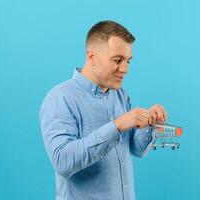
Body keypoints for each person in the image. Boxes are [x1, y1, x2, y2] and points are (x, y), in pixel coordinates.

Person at [39, 20, 168, 200]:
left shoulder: (120, 95)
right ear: (91, 57)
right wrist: (117, 126)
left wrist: (149, 125)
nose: (125, 69)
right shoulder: (60, 98)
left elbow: (136, 149)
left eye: (128, 61)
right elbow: (63, 161)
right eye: (117, 60)